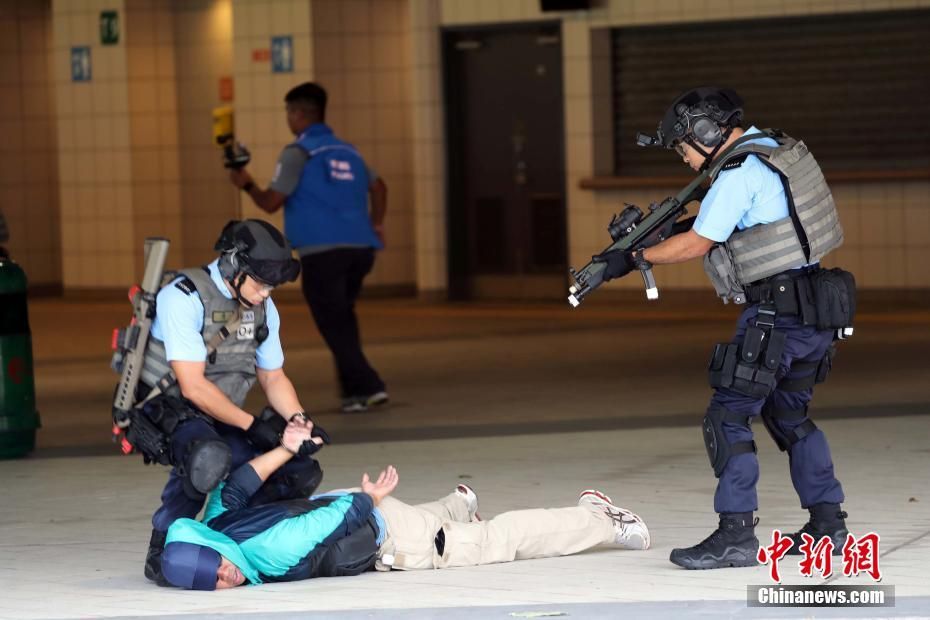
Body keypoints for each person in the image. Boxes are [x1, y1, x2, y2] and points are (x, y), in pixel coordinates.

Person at [595, 87, 854, 570]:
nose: (686, 159)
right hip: (818, 308)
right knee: (790, 416)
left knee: (728, 417)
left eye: (684, 147)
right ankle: (828, 526)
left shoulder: (738, 172)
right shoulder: (778, 150)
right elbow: (754, 221)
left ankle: (735, 536)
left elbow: (699, 244)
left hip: (776, 316)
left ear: (708, 132)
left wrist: (632, 259)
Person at [160, 418, 651, 590]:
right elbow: (236, 486)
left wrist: (364, 500)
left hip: (384, 533)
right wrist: (285, 451)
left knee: (498, 542)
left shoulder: (263, 553)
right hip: (365, 515)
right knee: (423, 521)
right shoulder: (218, 527)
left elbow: (308, 533)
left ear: (213, 551)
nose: (228, 577)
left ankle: (598, 518)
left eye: (219, 568)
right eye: (216, 583)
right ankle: (458, 504)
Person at [139, 219, 329, 583]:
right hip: (170, 409)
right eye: (260, 284)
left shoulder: (262, 307)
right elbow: (193, 387)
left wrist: (298, 421)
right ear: (232, 267)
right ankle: (161, 544)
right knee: (207, 459)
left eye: (272, 286)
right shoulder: (183, 296)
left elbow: (273, 376)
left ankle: (242, 532)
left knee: (297, 468)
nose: (265, 294)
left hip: (222, 412)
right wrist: (252, 426)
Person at [228, 82, 388, 414]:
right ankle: (353, 392)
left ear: (298, 113)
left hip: (322, 251)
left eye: (289, 112)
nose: (288, 119)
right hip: (361, 249)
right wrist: (376, 224)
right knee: (342, 316)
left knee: (332, 319)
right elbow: (380, 186)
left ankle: (370, 385)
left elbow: (272, 202)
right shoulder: (348, 150)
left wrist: (246, 184)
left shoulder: (297, 152)